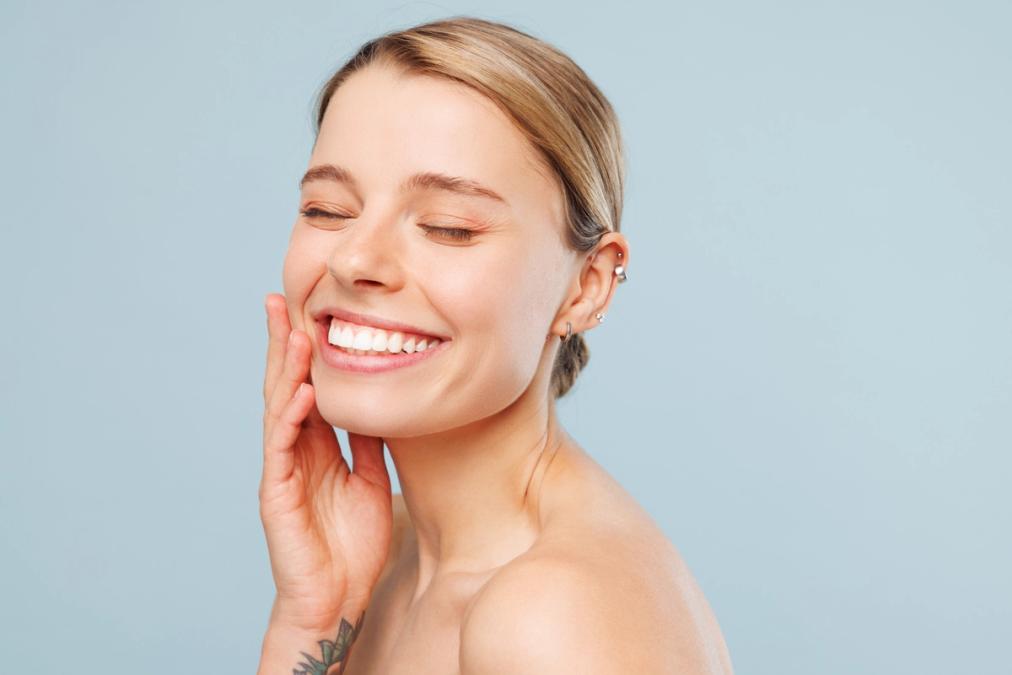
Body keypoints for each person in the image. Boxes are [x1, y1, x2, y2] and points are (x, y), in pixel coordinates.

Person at [257, 16, 734, 675]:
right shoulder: (386, 555)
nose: (354, 258)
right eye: (327, 209)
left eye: (448, 227)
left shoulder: (553, 615)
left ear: (587, 285)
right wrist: (309, 619)